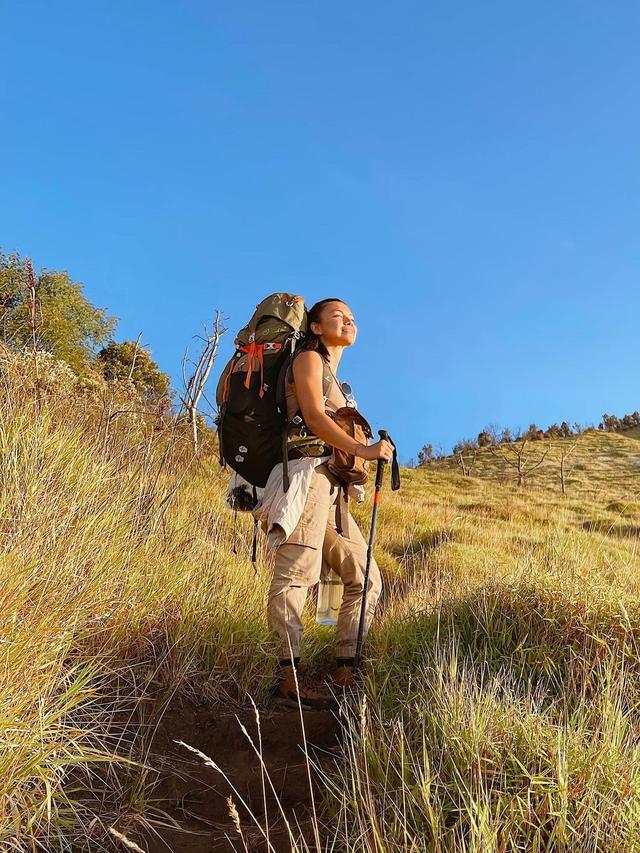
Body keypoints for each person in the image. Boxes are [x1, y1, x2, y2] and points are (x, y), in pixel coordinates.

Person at [253, 298, 393, 709]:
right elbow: (314, 416)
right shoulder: (308, 360)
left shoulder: (337, 377)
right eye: (338, 315)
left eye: (353, 316)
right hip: (303, 479)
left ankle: (346, 671)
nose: (349, 320)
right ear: (315, 327)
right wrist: (364, 450)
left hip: (331, 493)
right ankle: (287, 677)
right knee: (298, 573)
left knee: (366, 577)